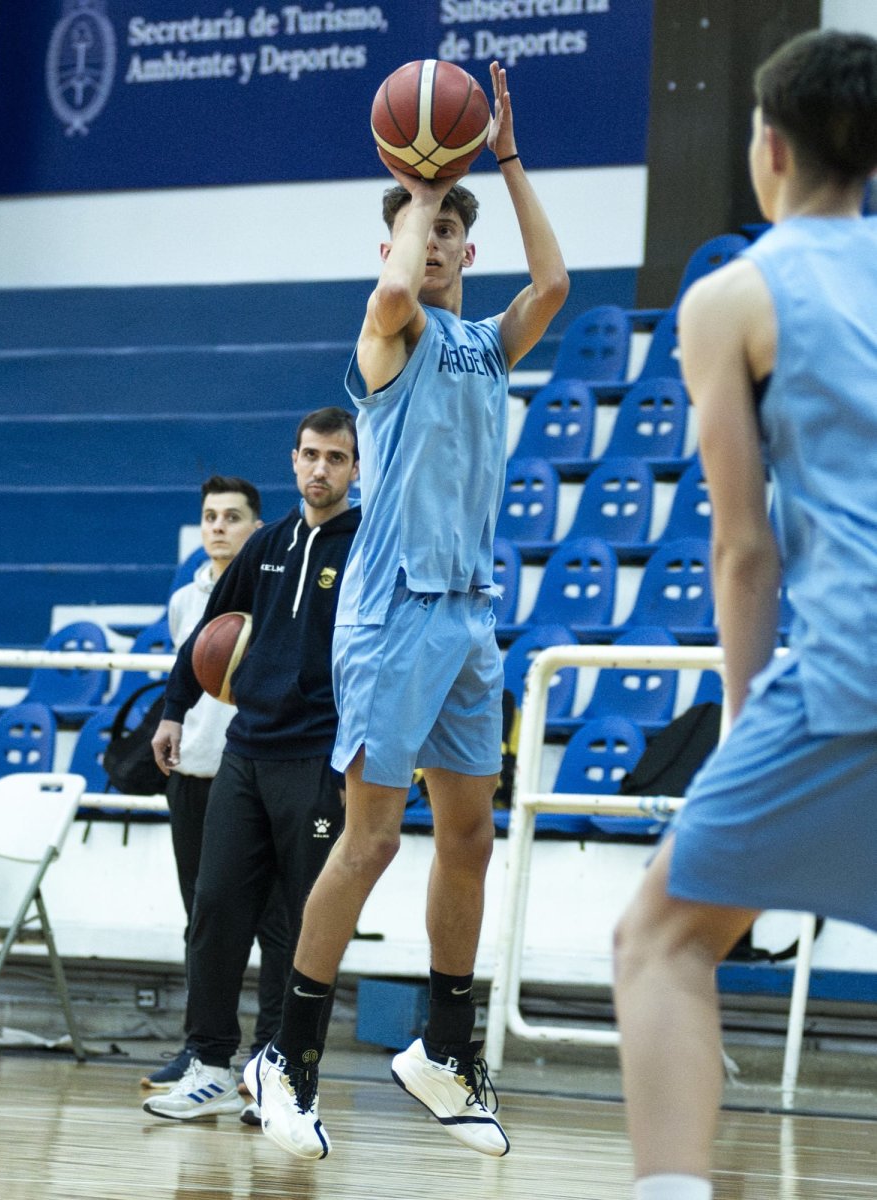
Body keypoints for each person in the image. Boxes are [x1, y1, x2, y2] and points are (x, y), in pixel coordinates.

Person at [243, 61, 568, 1161]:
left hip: (471, 617)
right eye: (413, 233)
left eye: (443, 234)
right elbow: (392, 294)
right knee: (374, 839)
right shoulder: (390, 338)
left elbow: (554, 285)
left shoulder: (486, 344)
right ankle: (285, 1058)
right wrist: (421, 179)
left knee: (469, 835)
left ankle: (443, 1049)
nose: (428, 245)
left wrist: (504, 161)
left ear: (468, 252)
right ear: (392, 244)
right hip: (392, 618)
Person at [612, 29, 877, 1200]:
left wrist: (741, 714)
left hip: (849, 667)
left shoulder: (731, 295)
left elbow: (742, 546)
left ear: (768, 149)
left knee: (662, 940)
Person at [142, 407, 361, 1125]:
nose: (320, 468)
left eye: (335, 457)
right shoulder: (266, 544)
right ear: (294, 460)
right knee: (215, 908)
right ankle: (208, 1064)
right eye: (310, 455)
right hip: (246, 752)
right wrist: (174, 709)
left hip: (319, 759)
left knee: (303, 925)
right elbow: (208, 632)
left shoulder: (368, 545)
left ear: (356, 468)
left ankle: (284, 1072)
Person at [140, 476, 266, 1096]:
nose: (218, 526)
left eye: (232, 517)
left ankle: (269, 1053)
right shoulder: (184, 601)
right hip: (191, 774)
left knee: (272, 919)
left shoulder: (271, 595)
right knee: (202, 919)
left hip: (248, 776)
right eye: (211, 516)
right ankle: (201, 1049)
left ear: (256, 528)